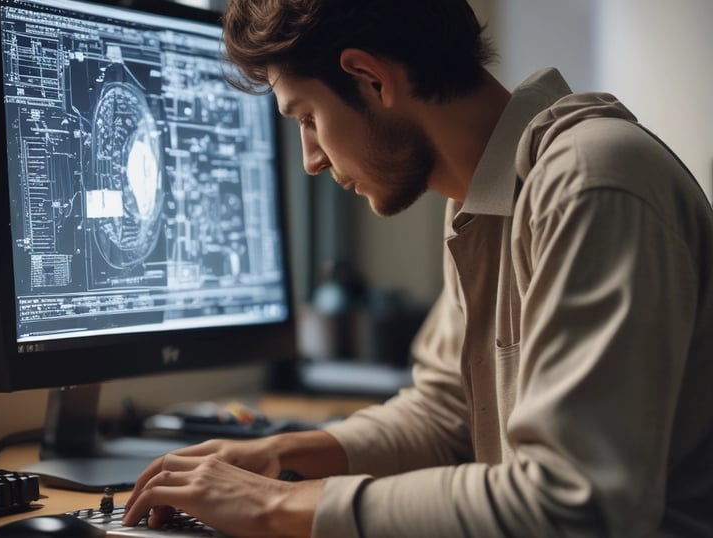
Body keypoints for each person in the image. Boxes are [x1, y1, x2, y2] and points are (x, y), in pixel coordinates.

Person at [123, 0, 713, 536]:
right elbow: (447, 415)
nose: (310, 159)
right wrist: (281, 454)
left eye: (306, 118)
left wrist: (271, 506)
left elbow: (574, 505)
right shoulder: (482, 199)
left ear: (370, 78)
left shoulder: (590, 181)